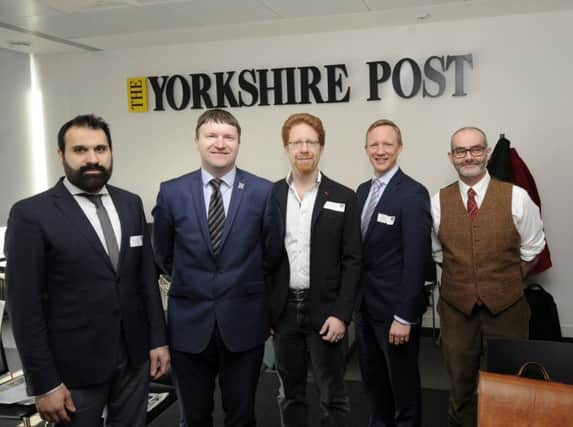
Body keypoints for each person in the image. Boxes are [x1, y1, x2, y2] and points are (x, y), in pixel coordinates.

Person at [5, 114, 169, 426]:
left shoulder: (130, 204)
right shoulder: (31, 214)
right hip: (73, 370)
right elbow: (25, 308)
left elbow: (145, 281)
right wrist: (44, 383)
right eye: (80, 150)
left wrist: (157, 341)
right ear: (60, 155)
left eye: (100, 149)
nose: (92, 159)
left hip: (134, 360)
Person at [152, 108, 279, 427]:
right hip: (189, 327)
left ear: (238, 143)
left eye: (229, 137)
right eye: (211, 135)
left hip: (244, 324)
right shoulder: (172, 192)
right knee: (193, 417)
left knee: (241, 415)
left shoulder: (263, 192)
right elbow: (163, 254)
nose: (220, 143)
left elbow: (271, 254)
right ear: (197, 140)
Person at [431, 126, 546, 427]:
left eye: (476, 149)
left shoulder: (517, 198)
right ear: (451, 157)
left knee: (510, 387)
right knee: (460, 388)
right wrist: (466, 277)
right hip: (457, 312)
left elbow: (534, 249)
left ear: (488, 153)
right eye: (460, 151)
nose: (468, 157)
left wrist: (505, 280)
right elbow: (438, 253)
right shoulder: (436, 202)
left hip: (508, 310)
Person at [270, 112, 361, 426]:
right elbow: (263, 260)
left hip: (327, 313)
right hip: (283, 313)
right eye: (297, 142)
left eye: (311, 142)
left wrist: (342, 314)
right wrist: (266, 311)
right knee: (290, 394)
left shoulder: (344, 197)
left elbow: (353, 262)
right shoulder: (270, 197)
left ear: (321, 147)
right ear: (286, 148)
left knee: (333, 396)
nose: (304, 148)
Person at [355, 119, 432, 426]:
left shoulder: (413, 194)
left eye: (387, 144)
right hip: (364, 309)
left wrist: (405, 316)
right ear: (366, 149)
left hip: (394, 313)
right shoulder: (361, 192)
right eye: (374, 144)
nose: (380, 150)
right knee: (374, 383)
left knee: (403, 389)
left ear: (400, 148)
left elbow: (417, 260)